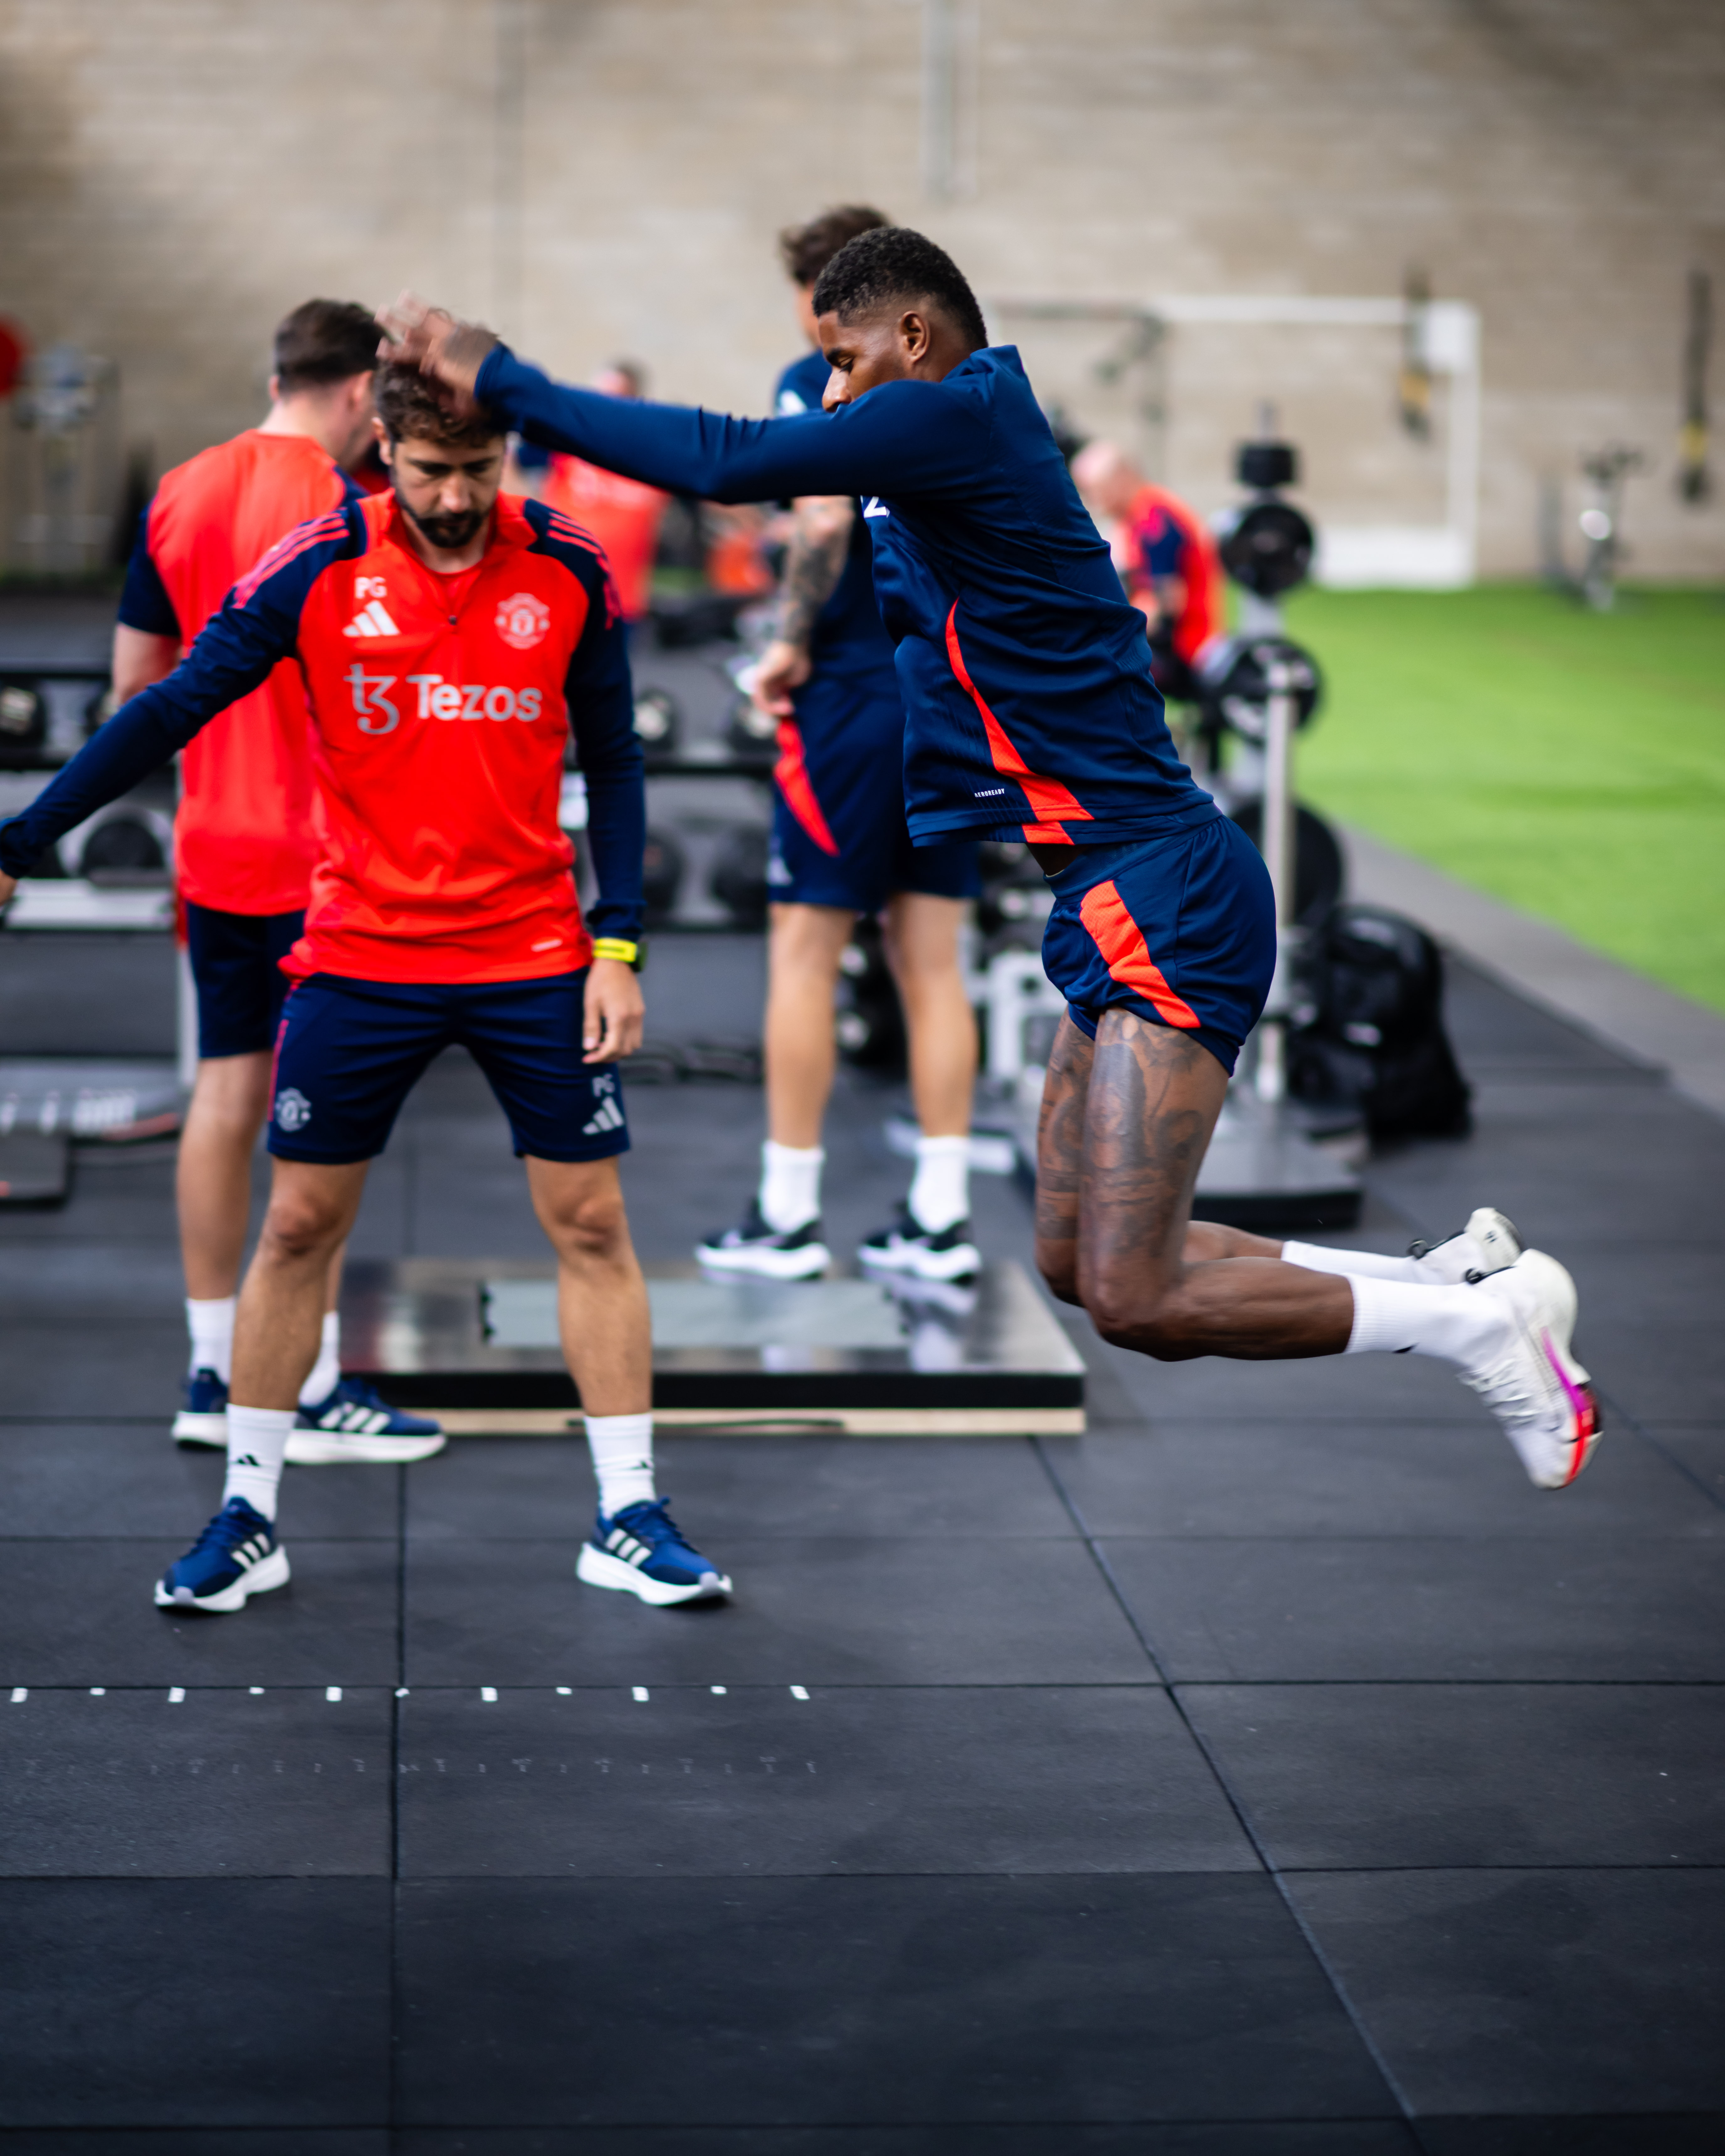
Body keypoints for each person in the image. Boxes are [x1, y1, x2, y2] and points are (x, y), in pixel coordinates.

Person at [379, 226, 1600, 1495]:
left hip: (1165, 892)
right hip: (1104, 893)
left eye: (842, 359)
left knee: (1132, 1293)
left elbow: (732, 460)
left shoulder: (954, 419)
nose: (835, 391)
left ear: (911, 336)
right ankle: (1446, 1284)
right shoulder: (958, 436)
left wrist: (501, 375)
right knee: (1079, 1263)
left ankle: (1472, 1332)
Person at [0, 361, 731, 1613]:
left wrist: (620, 945)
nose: (454, 499)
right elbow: (169, 705)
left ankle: (626, 1513)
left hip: (532, 954)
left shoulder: (563, 568)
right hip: (361, 951)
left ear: (508, 456)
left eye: (478, 472)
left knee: (595, 1227)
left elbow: (613, 765)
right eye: (430, 471)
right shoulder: (315, 564)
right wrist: (22, 834)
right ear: (379, 445)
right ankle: (248, 1515)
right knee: (294, 1229)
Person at [113, 297, 440, 1465]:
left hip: (214, 850)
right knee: (325, 1128)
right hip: (328, 866)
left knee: (223, 1094)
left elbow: (134, 690)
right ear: (360, 389)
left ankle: (215, 1367)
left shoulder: (180, 489)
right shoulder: (359, 511)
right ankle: (304, 1378)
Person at [699, 205, 982, 1285]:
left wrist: (781, 644)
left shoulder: (815, 369)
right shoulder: (962, 391)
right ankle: (942, 1220)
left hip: (852, 701)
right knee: (931, 964)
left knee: (805, 956)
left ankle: (785, 1217)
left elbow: (821, 523)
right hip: (948, 704)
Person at [510, 362, 668, 632]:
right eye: (599, 396)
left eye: (615, 397)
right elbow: (509, 461)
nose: (604, 405)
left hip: (623, 596)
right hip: (564, 585)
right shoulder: (566, 440)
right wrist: (533, 509)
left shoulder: (652, 453)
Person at [1070, 440, 1224, 706]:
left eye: (1095, 492)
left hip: (1185, 650)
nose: (1093, 503)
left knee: (1080, 667)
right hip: (1173, 644)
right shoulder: (1141, 514)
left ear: (1120, 481)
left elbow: (1168, 602)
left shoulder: (1154, 519)